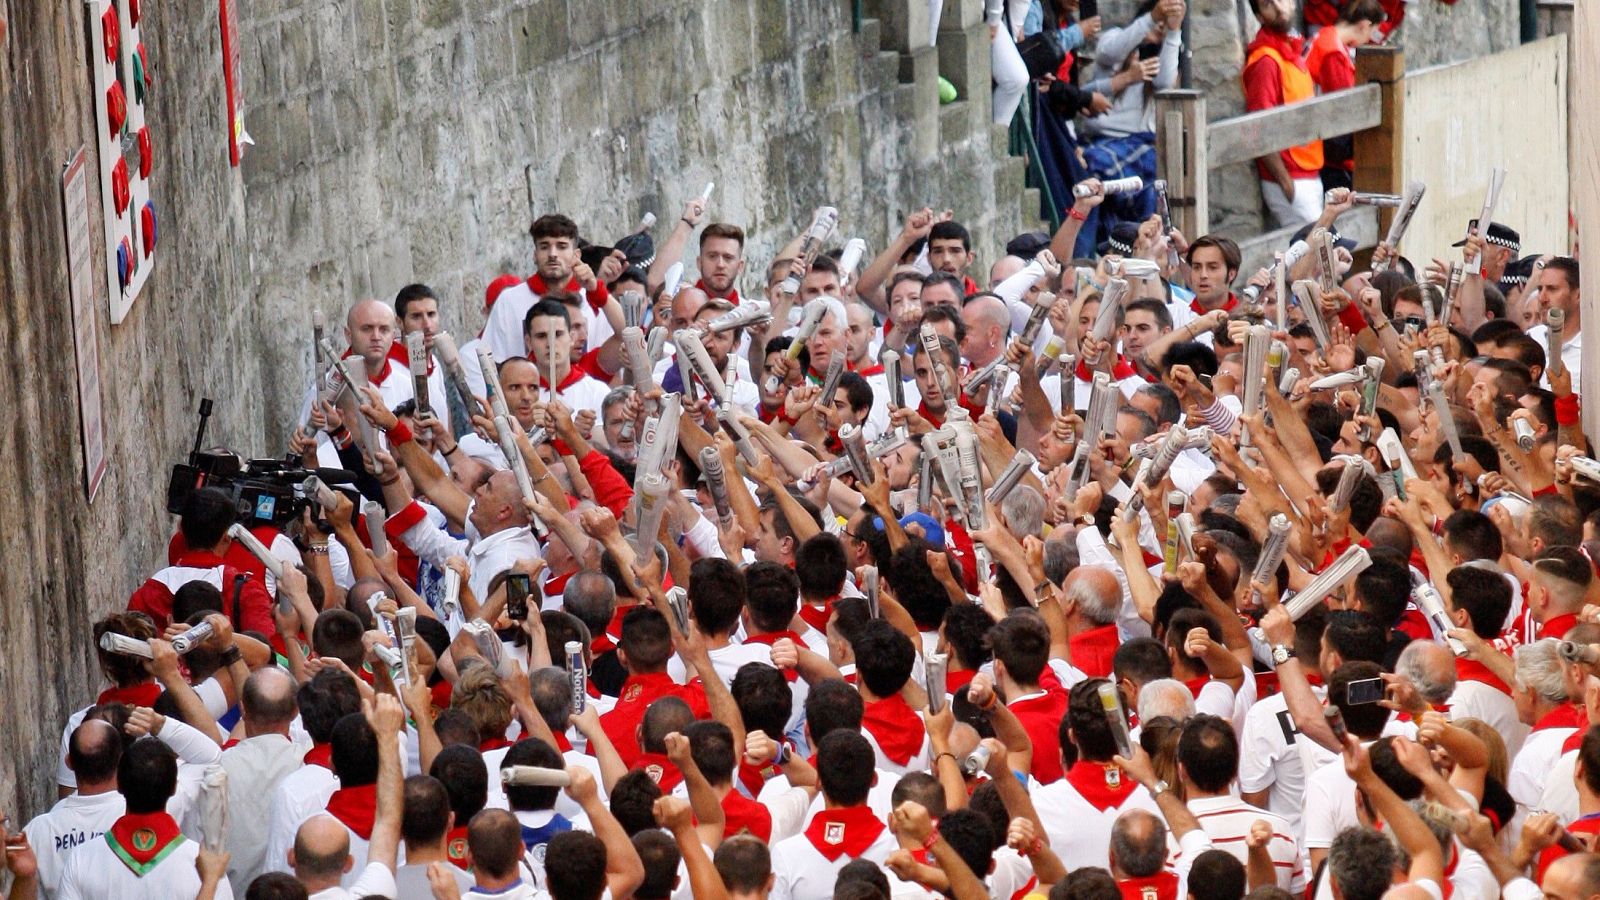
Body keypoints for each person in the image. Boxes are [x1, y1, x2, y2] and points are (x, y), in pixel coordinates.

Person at [1243, 0, 1324, 227]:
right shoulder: (1266, 60)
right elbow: (1259, 126)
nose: (1279, 7)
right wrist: (1286, 184)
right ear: (1259, 16)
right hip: (1291, 179)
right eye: (1268, 4)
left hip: (1308, 172)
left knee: (1314, 253)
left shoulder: (1291, 50)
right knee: (1318, 254)